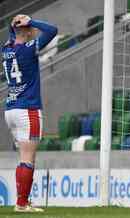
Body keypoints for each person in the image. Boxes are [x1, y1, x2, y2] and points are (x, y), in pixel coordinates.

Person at [2, 14, 57, 212]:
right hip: (28, 109)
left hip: (11, 109)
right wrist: (31, 21)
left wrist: (15, 25)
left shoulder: (6, 49)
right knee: (27, 157)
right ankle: (21, 204)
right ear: (25, 31)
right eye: (30, 29)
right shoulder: (28, 49)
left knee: (26, 157)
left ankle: (23, 200)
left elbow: (12, 36)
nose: (34, 31)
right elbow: (52, 30)